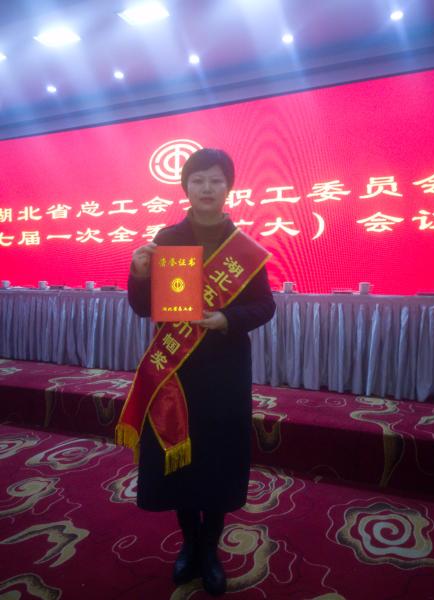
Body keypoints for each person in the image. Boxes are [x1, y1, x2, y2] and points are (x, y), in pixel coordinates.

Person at [118, 148, 275, 596]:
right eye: (199, 179)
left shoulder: (243, 248)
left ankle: (210, 548)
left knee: (218, 458)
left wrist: (226, 319)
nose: (207, 188)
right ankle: (189, 542)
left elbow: (265, 307)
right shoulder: (166, 239)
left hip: (224, 368)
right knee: (179, 456)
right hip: (176, 369)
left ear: (229, 187)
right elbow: (142, 307)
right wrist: (139, 274)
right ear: (185, 186)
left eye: (216, 180)